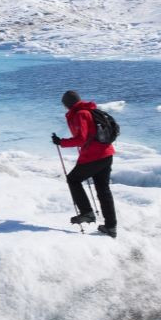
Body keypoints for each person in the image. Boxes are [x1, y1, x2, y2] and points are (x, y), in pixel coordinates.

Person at [52, 90, 117, 238]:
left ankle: (87, 213)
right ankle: (111, 227)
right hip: (106, 154)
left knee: (73, 179)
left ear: (67, 104)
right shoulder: (89, 110)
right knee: (103, 190)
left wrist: (61, 142)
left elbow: (81, 139)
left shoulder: (81, 114)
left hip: (94, 156)